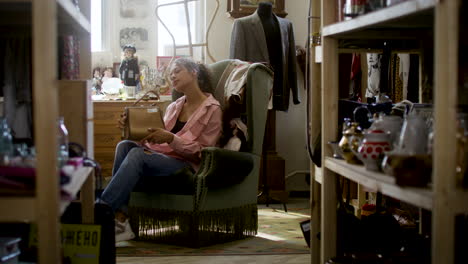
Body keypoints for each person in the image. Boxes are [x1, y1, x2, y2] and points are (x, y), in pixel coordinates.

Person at [97, 57, 223, 242]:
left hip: (185, 164)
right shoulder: (173, 106)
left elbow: (204, 152)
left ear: (194, 72)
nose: (172, 76)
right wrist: (129, 130)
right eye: (170, 73)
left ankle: (100, 212)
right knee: (125, 146)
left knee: (137, 155)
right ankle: (120, 220)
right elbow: (154, 143)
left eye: (177, 71)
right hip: (159, 158)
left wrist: (172, 139)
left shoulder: (213, 109)